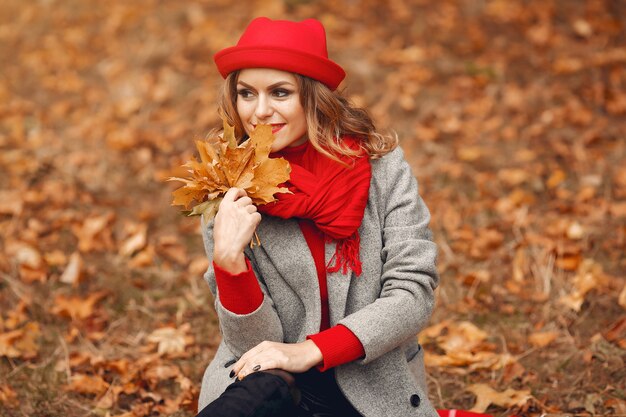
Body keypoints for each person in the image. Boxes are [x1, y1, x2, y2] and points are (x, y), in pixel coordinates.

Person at [196, 17, 439, 417]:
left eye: (279, 92)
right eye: (246, 93)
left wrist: (310, 351)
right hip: (273, 386)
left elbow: (412, 293)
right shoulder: (229, 188)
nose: (259, 111)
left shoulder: (382, 171)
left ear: (313, 97)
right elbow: (251, 347)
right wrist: (228, 263)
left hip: (369, 382)